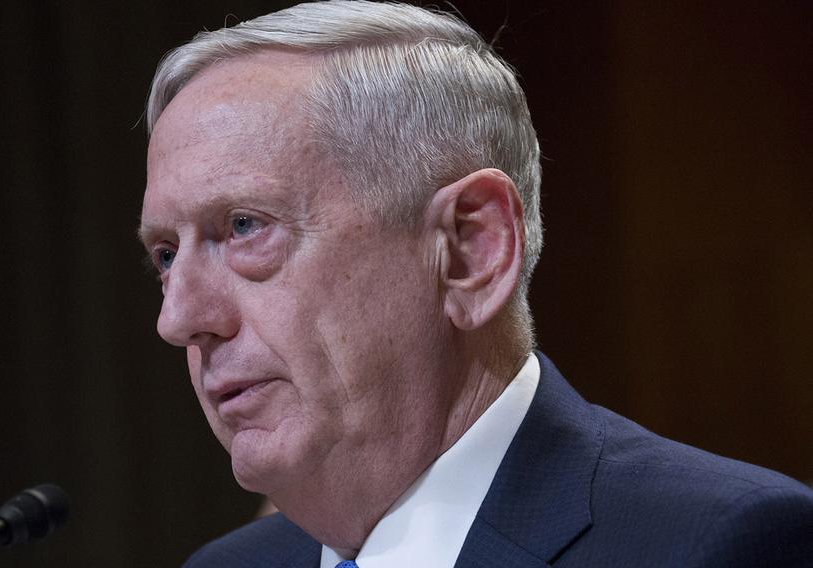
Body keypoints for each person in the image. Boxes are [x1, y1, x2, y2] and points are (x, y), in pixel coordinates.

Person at [138, 2, 813, 566]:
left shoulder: (716, 544)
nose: (180, 319)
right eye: (166, 254)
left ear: (470, 250)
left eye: (245, 226)